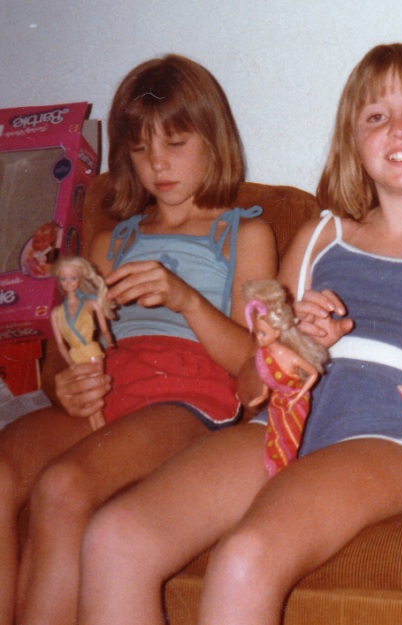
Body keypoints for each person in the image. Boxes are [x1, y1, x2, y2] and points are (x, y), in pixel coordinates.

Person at [79, 43, 402, 625]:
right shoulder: (319, 237)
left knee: (246, 557)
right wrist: (291, 347)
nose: (398, 129)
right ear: (352, 143)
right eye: (375, 116)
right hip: (280, 424)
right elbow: (248, 389)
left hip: (395, 435)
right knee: (114, 537)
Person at [0, 54, 275, 625]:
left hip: (188, 396)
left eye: (175, 143)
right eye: (141, 148)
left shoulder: (243, 233)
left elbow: (254, 364)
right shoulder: (111, 243)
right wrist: (62, 385)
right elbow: (66, 348)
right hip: (113, 384)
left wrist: (186, 299)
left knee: (63, 486)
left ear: (213, 140)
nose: (158, 164)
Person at [242, 279, 329, 476]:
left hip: (294, 404)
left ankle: (282, 473)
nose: (259, 338)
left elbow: (313, 373)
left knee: (289, 442)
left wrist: (298, 397)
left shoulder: (289, 356)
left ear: (277, 332)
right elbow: (268, 377)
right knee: (274, 439)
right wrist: (264, 394)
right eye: (258, 333)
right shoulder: (264, 353)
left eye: (264, 334)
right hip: (277, 402)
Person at [49, 256, 118, 431]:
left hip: (91, 351)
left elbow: (104, 329)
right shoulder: (57, 313)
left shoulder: (90, 304)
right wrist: (70, 362)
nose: (68, 282)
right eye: (64, 279)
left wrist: (110, 343)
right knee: (86, 398)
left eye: (73, 278)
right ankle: (98, 432)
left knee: (95, 395)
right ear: (59, 281)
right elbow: (60, 344)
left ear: (79, 279)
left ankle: (101, 431)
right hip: (74, 355)